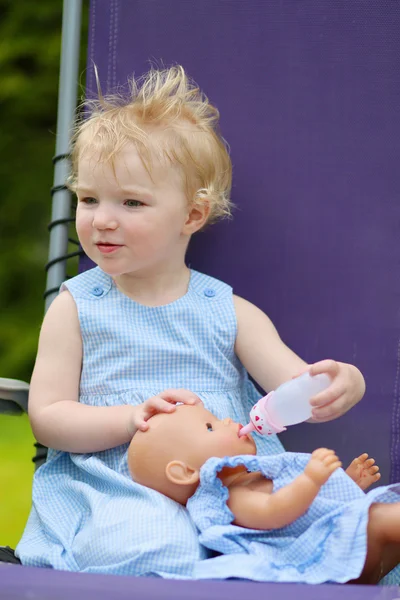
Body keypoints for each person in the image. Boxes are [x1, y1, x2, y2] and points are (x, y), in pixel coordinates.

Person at [16, 66, 365, 576]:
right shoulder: (77, 306)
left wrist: (341, 383)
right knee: (150, 543)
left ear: (192, 216)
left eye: (131, 202)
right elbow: (47, 415)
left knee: (330, 522)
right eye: (88, 199)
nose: (102, 218)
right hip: (122, 482)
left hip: (235, 479)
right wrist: (128, 419)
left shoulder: (227, 310)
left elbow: (298, 385)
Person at [128, 404, 400, 584]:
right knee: (380, 518)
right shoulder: (230, 498)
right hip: (330, 558)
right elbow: (275, 512)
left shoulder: (257, 475)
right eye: (210, 426)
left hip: (350, 553)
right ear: (185, 471)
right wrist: (311, 479)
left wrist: (346, 483)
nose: (225, 420)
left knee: (381, 521)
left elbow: (314, 510)